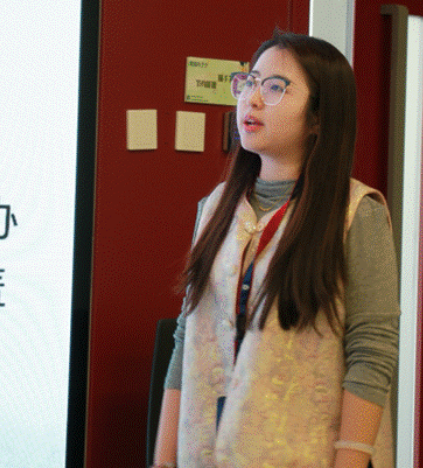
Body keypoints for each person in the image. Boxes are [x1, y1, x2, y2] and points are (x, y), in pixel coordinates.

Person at [151, 31, 399, 468]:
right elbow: (187, 337)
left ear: (318, 117)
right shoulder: (215, 207)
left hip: (307, 454)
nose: (251, 99)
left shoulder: (356, 212)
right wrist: (163, 458)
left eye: (274, 87)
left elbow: (372, 349)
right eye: (249, 82)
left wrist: (351, 461)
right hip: (208, 451)